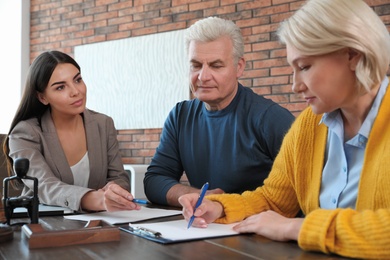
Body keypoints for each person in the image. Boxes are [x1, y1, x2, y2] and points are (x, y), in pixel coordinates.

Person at [178, 0, 390, 258]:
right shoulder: (308, 126)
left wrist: (298, 228)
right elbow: (274, 200)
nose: (295, 85)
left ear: (353, 55)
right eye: (292, 69)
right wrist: (219, 207)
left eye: (304, 67)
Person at [144, 17, 295, 207]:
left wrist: (224, 204)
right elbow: (154, 180)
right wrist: (200, 197)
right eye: (196, 65)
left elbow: (302, 194)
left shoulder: (271, 119)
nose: (203, 76)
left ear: (239, 67)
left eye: (216, 66)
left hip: (258, 231)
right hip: (203, 230)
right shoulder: (180, 116)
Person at [2, 51, 141, 213]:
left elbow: (119, 177)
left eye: (78, 80)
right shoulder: (25, 132)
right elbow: (44, 185)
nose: (76, 91)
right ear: (42, 97)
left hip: (101, 221)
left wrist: (113, 190)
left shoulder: (103, 124)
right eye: (60, 87)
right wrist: (91, 199)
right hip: (45, 223)